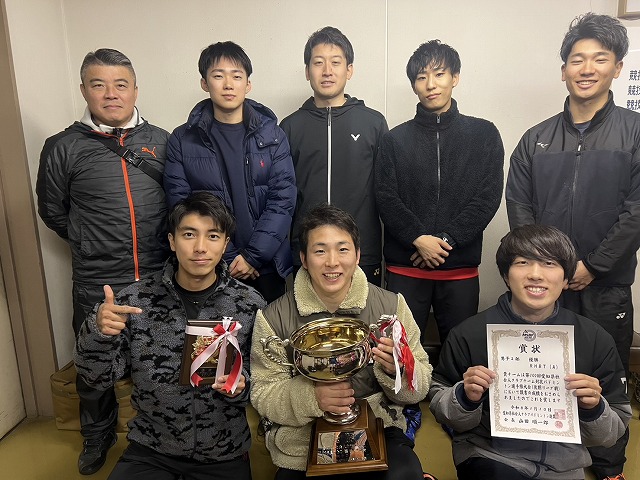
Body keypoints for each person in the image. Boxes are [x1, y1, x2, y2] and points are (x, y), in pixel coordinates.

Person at [505, 13, 640, 480]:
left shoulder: (634, 132)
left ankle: (608, 467)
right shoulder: (535, 140)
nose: (587, 68)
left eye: (599, 59)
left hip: (606, 286)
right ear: (563, 69)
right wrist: (546, 269)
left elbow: (637, 210)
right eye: (577, 59)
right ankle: (544, 458)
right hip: (545, 287)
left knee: (605, 380)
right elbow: (519, 206)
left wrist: (594, 266)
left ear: (617, 67)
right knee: (546, 377)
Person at [36, 48, 170, 475]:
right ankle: (97, 435)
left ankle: (160, 433)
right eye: (99, 84)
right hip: (98, 279)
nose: (111, 94)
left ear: (135, 90)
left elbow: (179, 202)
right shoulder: (62, 147)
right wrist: (89, 242)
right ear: (84, 90)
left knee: (159, 360)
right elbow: (53, 212)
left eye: (120, 84)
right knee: (94, 366)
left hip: (158, 276)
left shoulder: (163, 141)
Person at [74, 192, 266, 480]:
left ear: (225, 244)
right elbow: (96, 378)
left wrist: (242, 385)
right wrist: (98, 332)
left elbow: (266, 381)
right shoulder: (135, 301)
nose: (200, 247)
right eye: (189, 234)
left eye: (213, 236)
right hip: (151, 449)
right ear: (172, 241)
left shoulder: (249, 304)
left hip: (223, 450)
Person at [429, 225, 631, 480]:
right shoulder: (469, 333)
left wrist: (594, 408)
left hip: (565, 467)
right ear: (506, 275)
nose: (536, 274)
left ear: (566, 279)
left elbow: (612, 431)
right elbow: (440, 405)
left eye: (549, 263)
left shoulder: (594, 338)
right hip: (490, 457)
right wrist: (465, 396)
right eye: (523, 262)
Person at [250, 204, 432, 480]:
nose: (332, 262)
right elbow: (263, 393)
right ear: (304, 258)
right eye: (320, 251)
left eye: (343, 249)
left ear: (357, 255)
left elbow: (421, 385)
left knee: (405, 474)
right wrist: (312, 397)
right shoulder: (273, 317)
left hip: (378, 425)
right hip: (303, 436)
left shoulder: (391, 306)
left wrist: (398, 371)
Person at [375, 40, 504, 345]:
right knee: (400, 354)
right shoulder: (394, 139)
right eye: (422, 77)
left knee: (460, 353)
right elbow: (385, 196)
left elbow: (487, 196)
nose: (430, 84)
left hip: (459, 270)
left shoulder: (484, 134)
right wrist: (418, 238)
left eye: (439, 74)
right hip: (406, 268)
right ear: (414, 85)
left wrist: (445, 241)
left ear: (454, 78)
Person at [165, 41, 296, 303]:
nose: (228, 84)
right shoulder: (182, 139)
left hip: (266, 266)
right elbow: (180, 203)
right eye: (218, 76)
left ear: (248, 84)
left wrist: (252, 257)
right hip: (209, 266)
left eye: (236, 76)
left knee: (267, 330)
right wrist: (227, 256)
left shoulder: (273, 136)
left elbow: (283, 199)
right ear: (204, 83)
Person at [281, 26, 388, 286]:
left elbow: (387, 192)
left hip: (362, 253)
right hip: (308, 254)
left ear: (349, 70)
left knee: (363, 314)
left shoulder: (373, 123)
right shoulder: (290, 127)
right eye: (318, 63)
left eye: (335, 62)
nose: (327, 71)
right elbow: (283, 195)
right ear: (307, 71)